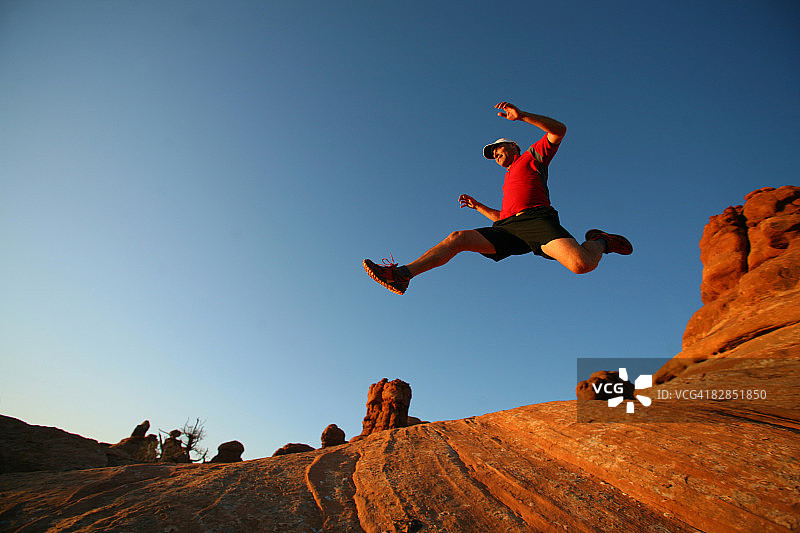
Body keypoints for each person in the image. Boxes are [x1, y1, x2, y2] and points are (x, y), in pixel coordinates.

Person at [363, 101, 632, 295]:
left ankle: (599, 241)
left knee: (581, 264)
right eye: (492, 154)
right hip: (510, 228)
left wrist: (523, 116)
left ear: (513, 146)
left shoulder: (531, 158)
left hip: (537, 221)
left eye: (498, 149)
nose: (495, 155)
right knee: (458, 238)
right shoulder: (508, 179)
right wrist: (478, 206)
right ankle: (401, 275)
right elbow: (503, 217)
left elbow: (559, 130)